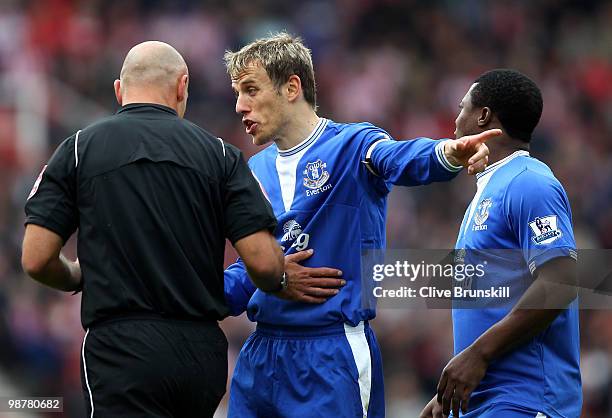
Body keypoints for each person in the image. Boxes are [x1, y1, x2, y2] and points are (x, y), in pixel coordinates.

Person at [222, 32, 500, 418]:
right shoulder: (253, 172)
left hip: (330, 353)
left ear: (291, 87)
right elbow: (250, 267)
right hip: (261, 355)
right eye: (237, 93)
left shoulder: (353, 145)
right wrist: (188, 295)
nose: (239, 105)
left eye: (250, 90)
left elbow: (399, 158)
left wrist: (447, 153)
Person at [21, 41, 285, 417]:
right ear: (182, 86)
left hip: (120, 349)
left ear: (119, 90)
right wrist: (284, 278)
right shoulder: (222, 156)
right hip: (199, 353)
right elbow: (264, 265)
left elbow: (35, 259)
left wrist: (76, 275)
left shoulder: (78, 149)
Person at [419, 69, 581, 418]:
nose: (455, 119)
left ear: (483, 116)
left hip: (527, 400)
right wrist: (450, 393)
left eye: (462, 108)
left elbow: (562, 280)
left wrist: (478, 355)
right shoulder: (490, 189)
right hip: (485, 399)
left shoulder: (530, 183)